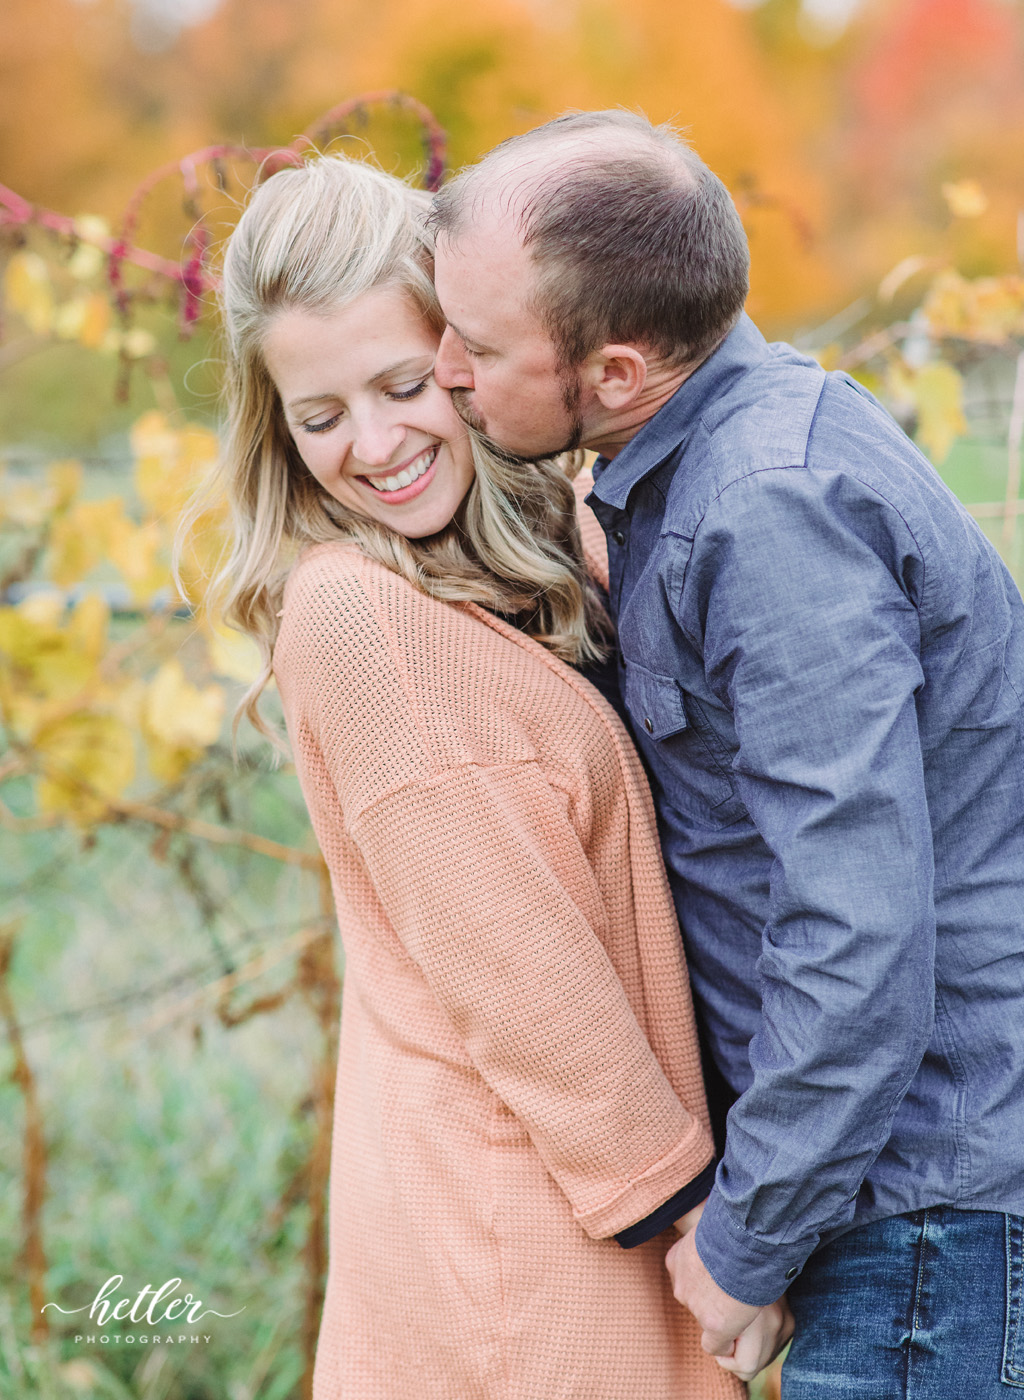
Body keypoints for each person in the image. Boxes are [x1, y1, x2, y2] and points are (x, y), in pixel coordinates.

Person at [428, 108, 1024, 1399]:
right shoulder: (697, 469)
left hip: (924, 1209)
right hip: (891, 1197)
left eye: (476, 344)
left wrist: (748, 1243)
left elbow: (858, 928)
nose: (443, 371)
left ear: (623, 372)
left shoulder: (764, 516)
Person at [205, 151, 770, 1399]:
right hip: (521, 1230)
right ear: (277, 425)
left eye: (404, 384)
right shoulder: (356, 613)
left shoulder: (549, 544)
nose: (374, 444)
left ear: (463, 352)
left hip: (590, 1196)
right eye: (320, 414)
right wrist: (712, 1239)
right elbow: (527, 978)